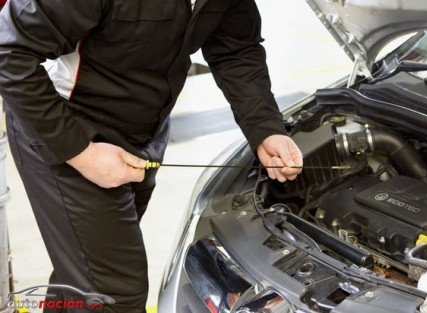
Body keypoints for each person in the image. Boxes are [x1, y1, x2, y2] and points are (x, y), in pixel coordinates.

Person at [0, 0, 303, 312]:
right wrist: (84, 154)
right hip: (65, 126)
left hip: (143, 131)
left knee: (86, 275)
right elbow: (9, 51)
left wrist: (265, 128)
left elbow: (235, 48)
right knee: (114, 294)